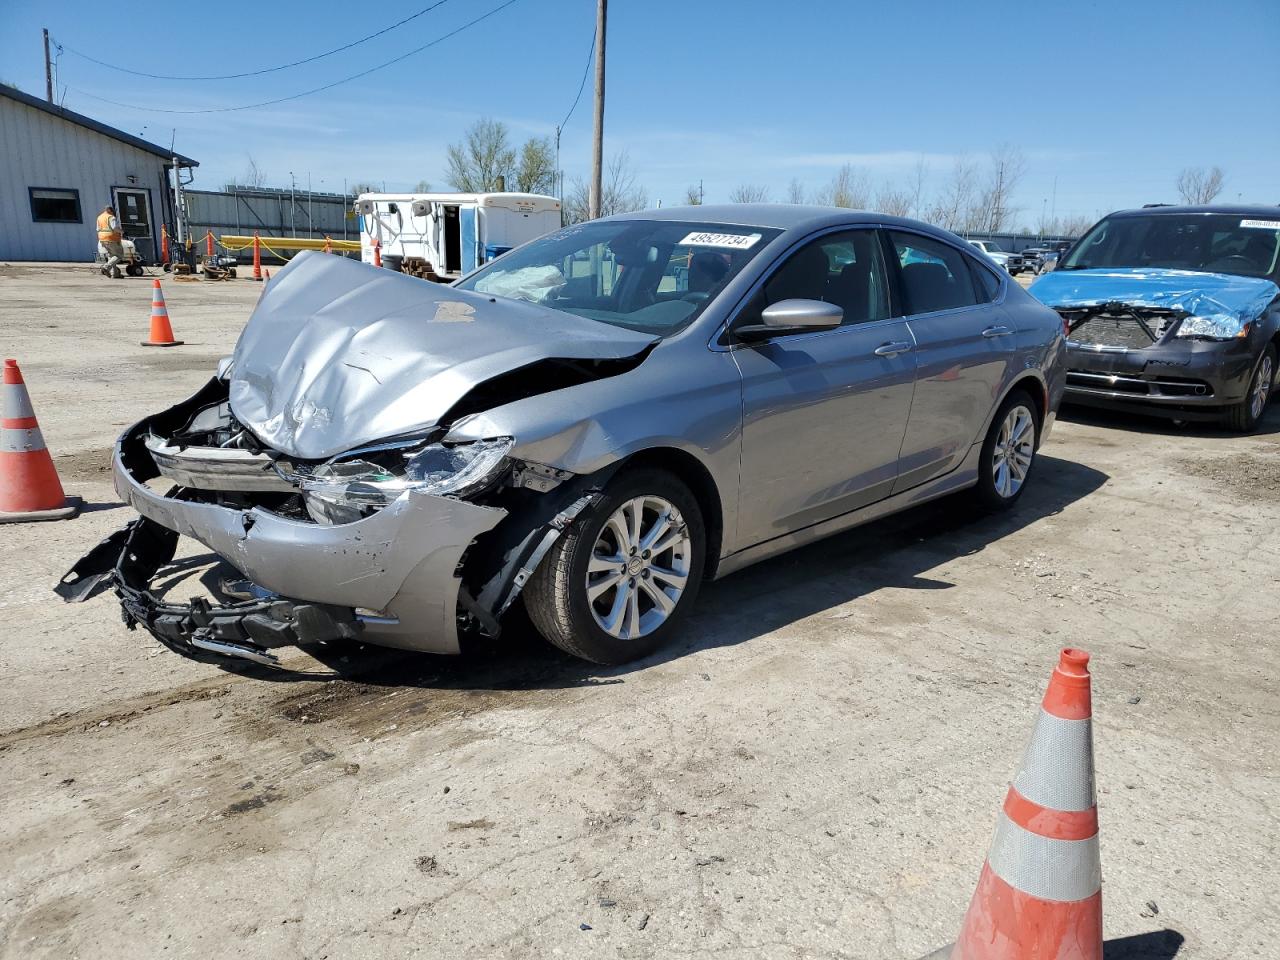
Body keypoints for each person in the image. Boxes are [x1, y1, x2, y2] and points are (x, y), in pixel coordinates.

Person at [96, 204, 124, 279]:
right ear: (110, 210)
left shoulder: (99, 217)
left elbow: (98, 229)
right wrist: (122, 231)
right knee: (119, 255)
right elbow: (114, 227)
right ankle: (106, 267)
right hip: (112, 238)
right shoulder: (111, 217)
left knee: (111, 256)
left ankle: (115, 274)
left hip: (102, 239)